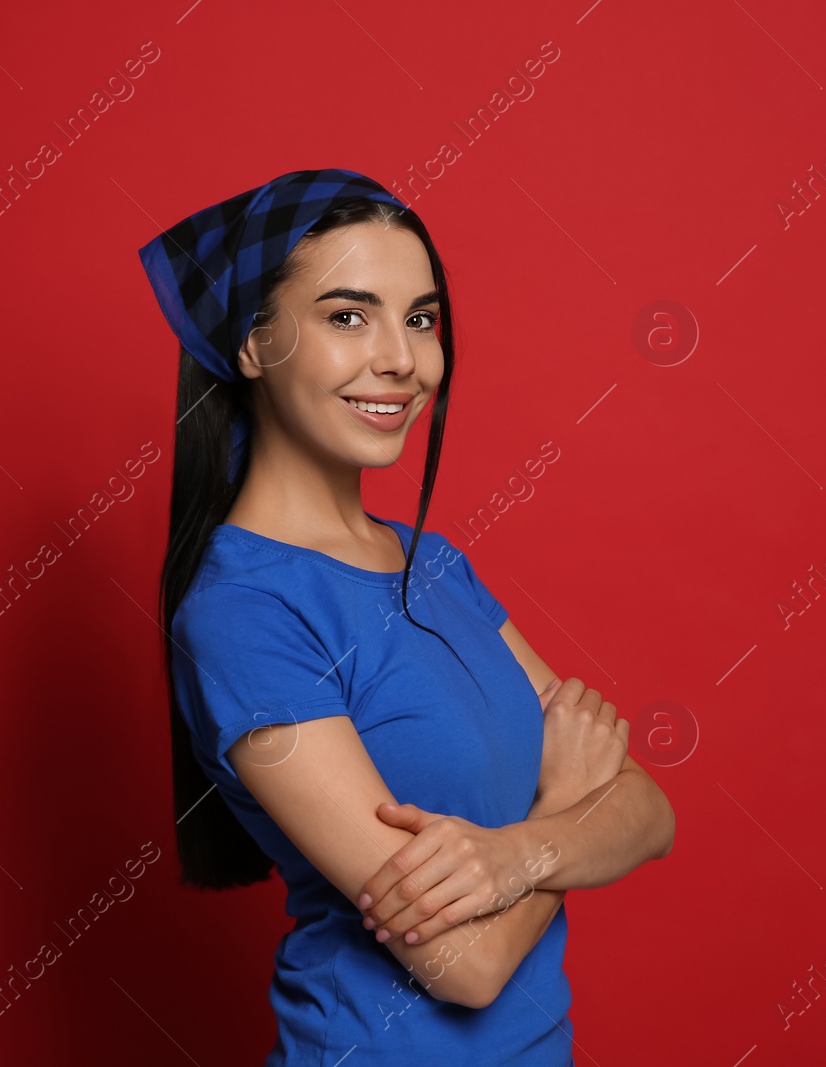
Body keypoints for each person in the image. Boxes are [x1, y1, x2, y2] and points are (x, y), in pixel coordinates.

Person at [137, 168, 675, 1065]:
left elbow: (652, 811)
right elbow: (464, 965)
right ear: (252, 344)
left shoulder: (435, 565)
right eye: (349, 315)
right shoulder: (242, 611)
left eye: (420, 318)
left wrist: (519, 852)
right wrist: (566, 815)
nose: (402, 359)